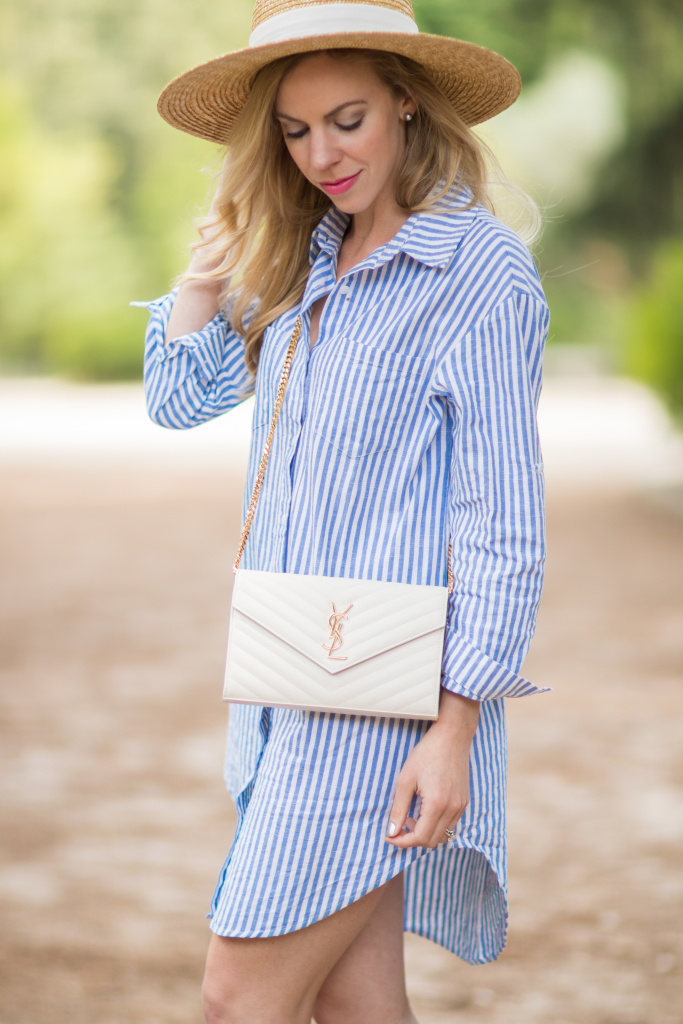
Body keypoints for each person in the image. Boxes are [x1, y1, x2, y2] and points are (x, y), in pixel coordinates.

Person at [143, 2, 548, 1021]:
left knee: (235, 994)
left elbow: (499, 523)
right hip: (287, 680)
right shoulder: (305, 257)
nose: (320, 153)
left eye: (347, 118)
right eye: (293, 129)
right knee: (356, 1005)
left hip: (384, 704)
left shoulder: (477, 272)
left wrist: (455, 726)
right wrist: (201, 283)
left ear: (406, 104)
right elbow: (176, 400)